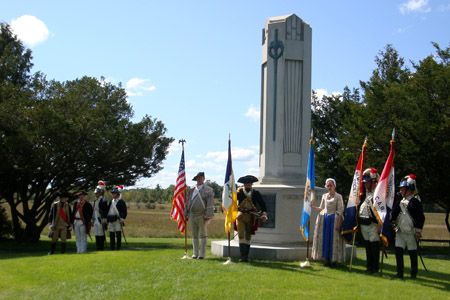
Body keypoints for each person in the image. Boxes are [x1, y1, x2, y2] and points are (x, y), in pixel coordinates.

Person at [391, 174, 425, 279]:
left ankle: (413, 273)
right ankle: (399, 272)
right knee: (398, 252)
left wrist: (418, 230)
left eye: (403, 189)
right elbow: (394, 215)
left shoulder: (415, 202)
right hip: (400, 231)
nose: (401, 191)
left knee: (412, 253)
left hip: (411, 232)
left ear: (409, 190)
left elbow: (420, 217)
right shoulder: (399, 202)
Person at [311, 178, 346, 266]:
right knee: (325, 238)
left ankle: (334, 259)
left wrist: (339, 223)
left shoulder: (338, 196)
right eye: (328, 185)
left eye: (331, 185)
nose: (329, 187)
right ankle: (326, 259)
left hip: (334, 219)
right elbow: (321, 208)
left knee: (333, 239)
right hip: (325, 220)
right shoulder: (324, 196)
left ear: (334, 186)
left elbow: (340, 210)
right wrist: (312, 206)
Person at [235, 175, 267, 262]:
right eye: (246, 185)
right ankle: (242, 257)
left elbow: (262, 204)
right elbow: (233, 202)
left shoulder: (256, 193)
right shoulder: (239, 192)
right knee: (241, 235)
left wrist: (264, 214)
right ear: (244, 185)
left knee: (248, 236)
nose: (247, 186)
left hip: (251, 216)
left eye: (249, 185)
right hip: (240, 216)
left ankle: (246, 256)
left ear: (251, 185)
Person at [184, 172, 215, 259]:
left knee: (203, 235)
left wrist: (208, 215)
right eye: (198, 178)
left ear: (203, 178)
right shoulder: (191, 189)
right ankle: (195, 253)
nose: (199, 179)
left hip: (202, 215)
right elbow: (188, 201)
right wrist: (186, 213)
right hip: (192, 215)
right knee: (194, 235)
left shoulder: (208, 189)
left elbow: (210, 203)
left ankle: (202, 254)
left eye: (201, 177)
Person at [358, 168, 382, 273]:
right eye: (365, 183)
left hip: (373, 224)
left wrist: (381, 225)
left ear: (373, 183)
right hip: (364, 224)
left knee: (374, 246)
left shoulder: (378, 195)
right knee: (367, 246)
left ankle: (375, 267)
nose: (365, 185)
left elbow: (382, 211)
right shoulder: (364, 195)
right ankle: (369, 266)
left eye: (367, 183)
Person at [92, 181, 108, 250]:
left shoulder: (103, 201)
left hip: (100, 219)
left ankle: (101, 247)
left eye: (97, 193)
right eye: (96, 193)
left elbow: (105, 211)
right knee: (96, 233)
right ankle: (97, 246)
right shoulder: (95, 201)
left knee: (101, 233)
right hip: (95, 218)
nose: (96, 194)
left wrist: (104, 220)